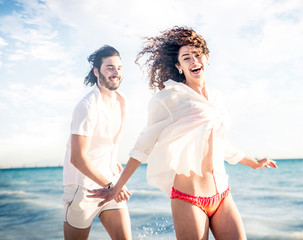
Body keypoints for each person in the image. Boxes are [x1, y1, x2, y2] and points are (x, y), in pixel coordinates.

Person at [88, 27, 278, 239]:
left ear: (207, 58)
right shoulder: (170, 98)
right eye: (186, 57)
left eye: (197, 55)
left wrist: (253, 163)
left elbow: (220, 143)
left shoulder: (216, 98)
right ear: (179, 66)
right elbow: (143, 146)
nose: (194, 60)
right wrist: (117, 187)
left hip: (222, 194)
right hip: (189, 198)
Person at [62, 45, 132, 240]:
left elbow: (108, 141)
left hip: (110, 182)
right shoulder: (86, 106)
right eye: (109, 67)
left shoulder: (122, 100)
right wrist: (111, 186)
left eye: (119, 67)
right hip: (83, 189)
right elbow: (78, 158)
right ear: (96, 71)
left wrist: (112, 161)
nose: (116, 72)